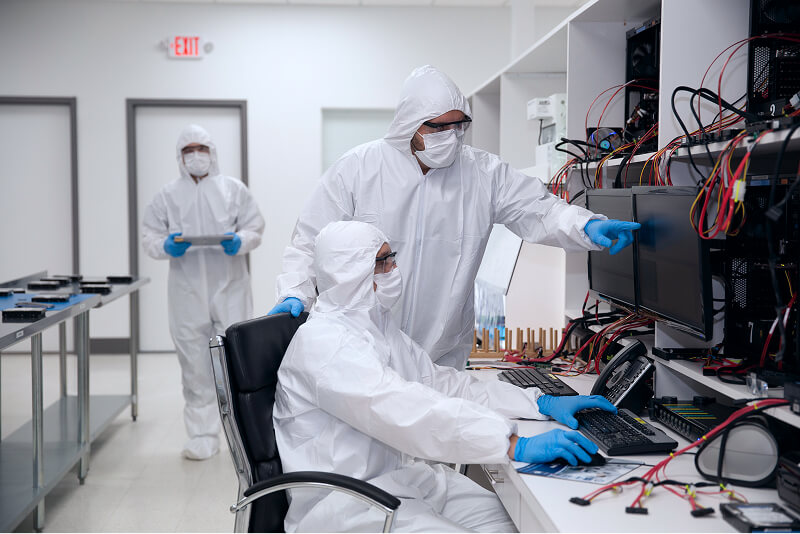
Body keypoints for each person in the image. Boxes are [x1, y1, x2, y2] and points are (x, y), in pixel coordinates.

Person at [270, 65, 639, 370]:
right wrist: (294, 292)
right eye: (437, 127)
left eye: (458, 125)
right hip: (365, 348)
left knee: (440, 445)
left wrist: (586, 225)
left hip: (442, 353)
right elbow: (309, 241)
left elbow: (539, 209)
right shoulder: (359, 169)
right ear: (409, 124)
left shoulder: (482, 173)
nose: (450, 136)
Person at [274, 220, 617, 532]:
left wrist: (538, 401)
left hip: (399, 481)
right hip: (347, 503)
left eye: (391, 257)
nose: (394, 269)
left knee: (514, 522)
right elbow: (404, 410)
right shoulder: (326, 344)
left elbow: (439, 384)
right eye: (383, 262)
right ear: (350, 273)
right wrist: (512, 444)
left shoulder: (372, 325)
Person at [142, 124, 265, 460]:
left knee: (238, 359)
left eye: (202, 148)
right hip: (187, 290)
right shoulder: (167, 195)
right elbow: (150, 237)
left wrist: (241, 241)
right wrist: (166, 246)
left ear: (212, 153)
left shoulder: (233, 189)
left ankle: (245, 435)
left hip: (230, 286)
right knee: (195, 365)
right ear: (180, 157)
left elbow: (255, 226)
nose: (196, 156)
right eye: (188, 150)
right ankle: (202, 435)